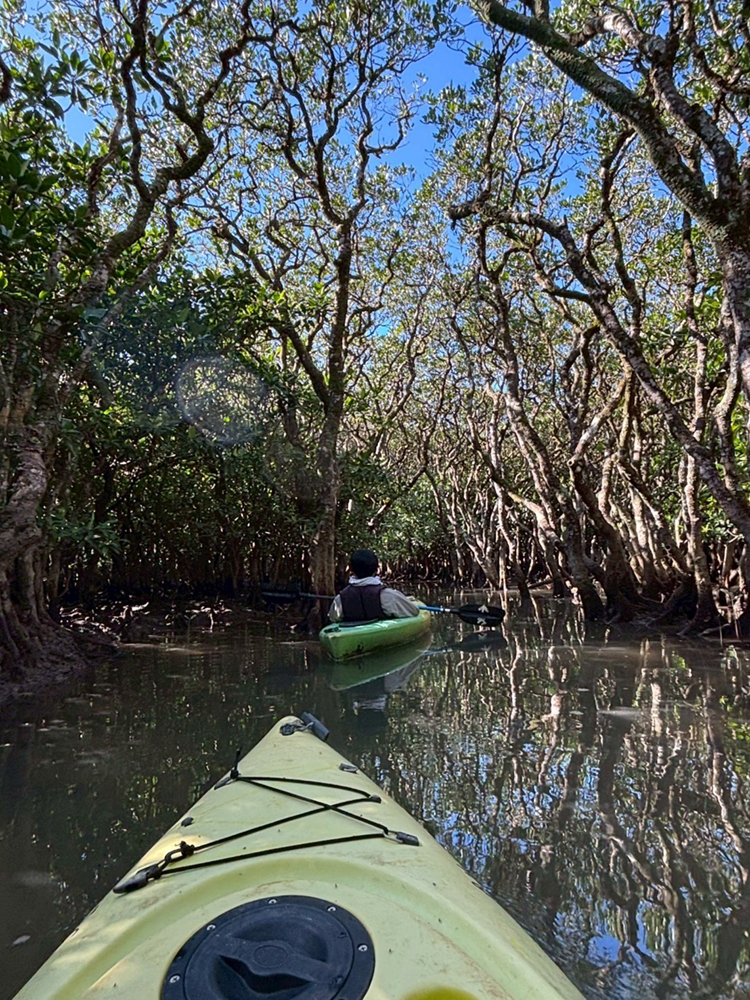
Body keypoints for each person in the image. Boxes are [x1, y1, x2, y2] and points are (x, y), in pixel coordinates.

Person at [329, 549, 420, 623]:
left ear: (351, 569)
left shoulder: (340, 599)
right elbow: (414, 611)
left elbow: (333, 618)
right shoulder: (388, 595)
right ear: (376, 569)